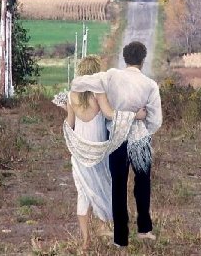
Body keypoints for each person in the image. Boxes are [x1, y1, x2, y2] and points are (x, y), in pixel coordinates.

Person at [70, 41, 163, 248]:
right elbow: (156, 120)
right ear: (143, 60)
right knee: (143, 184)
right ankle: (144, 229)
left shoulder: (111, 76)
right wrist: (142, 124)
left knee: (118, 187)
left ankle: (120, 238)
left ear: (124, 58)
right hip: (140, 139)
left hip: (117, 139)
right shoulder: (149, 84)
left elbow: (78, 84)